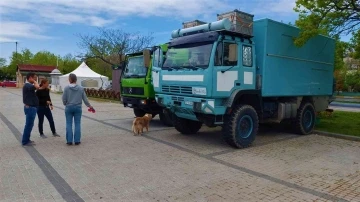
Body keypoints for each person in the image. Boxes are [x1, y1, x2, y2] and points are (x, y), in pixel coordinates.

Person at [62, 73, 93, 145]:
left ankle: (69, 140)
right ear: (76, 79)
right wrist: (89, 106)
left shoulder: (66, 88)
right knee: (77, 124)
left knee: (69, 123)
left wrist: (65, 103)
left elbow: (64, 98)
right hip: (78, 107)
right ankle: (77, 140)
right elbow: (85, 99)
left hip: (69, 107)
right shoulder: (80, 88)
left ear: (70, 79)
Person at [22, 72, 40, 146]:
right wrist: (35, 82)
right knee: (29, 125)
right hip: (30, 108)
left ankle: (27, 139)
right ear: (30, 78)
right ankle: (25, 141)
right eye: (34, 77)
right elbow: (37, 87)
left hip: (31, 107)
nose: (35, 79)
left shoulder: (28, 85)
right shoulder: (27, 85)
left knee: (30, 124)